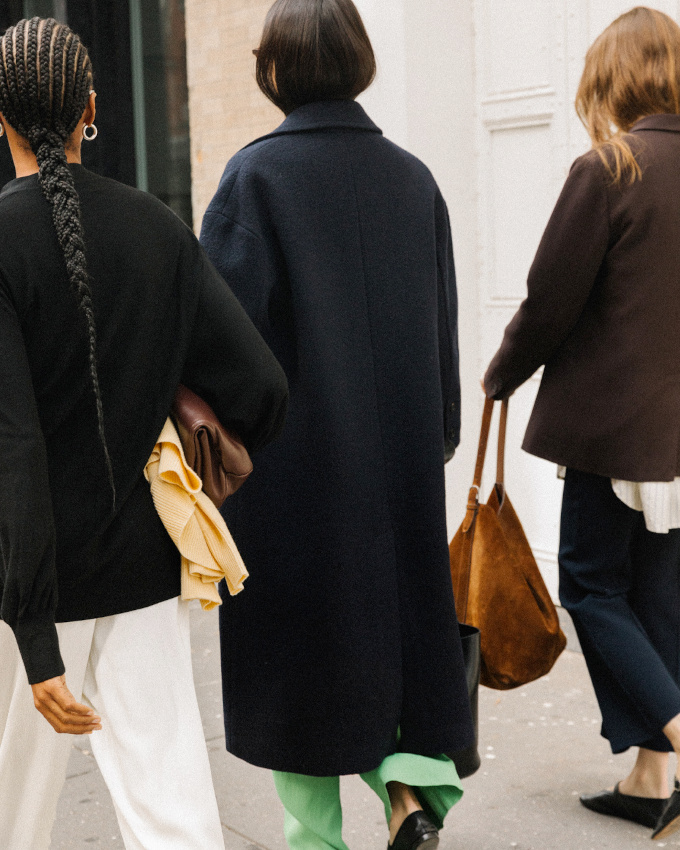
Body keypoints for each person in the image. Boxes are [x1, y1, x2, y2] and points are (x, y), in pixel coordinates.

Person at [0, 17, 288, 850]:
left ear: (2, 118)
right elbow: (263, 391)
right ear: (92, 108)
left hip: (27, 586)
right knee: (176, 818)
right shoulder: (158, 229)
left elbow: (14, 452)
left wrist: (33, 635)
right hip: (142, 566)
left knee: (11, 814)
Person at [199, 1, 475, 848]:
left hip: (293, 479)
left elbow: (222, 343)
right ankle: (409, 787)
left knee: (302, 666)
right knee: (398, 639)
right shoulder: (413, 178)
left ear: (273, 67)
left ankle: (316, 837)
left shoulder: (256, 180)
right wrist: (431, 444)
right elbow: (441, 334)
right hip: (397, 469)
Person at [484, 6, 680, 842]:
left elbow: (550, 300)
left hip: (614, 433)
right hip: (675, 439)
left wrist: (502, 374)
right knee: (657, 598)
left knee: (593, 591)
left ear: (612, 82)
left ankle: (674, 744)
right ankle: (648, 776)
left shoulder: (612, 168)